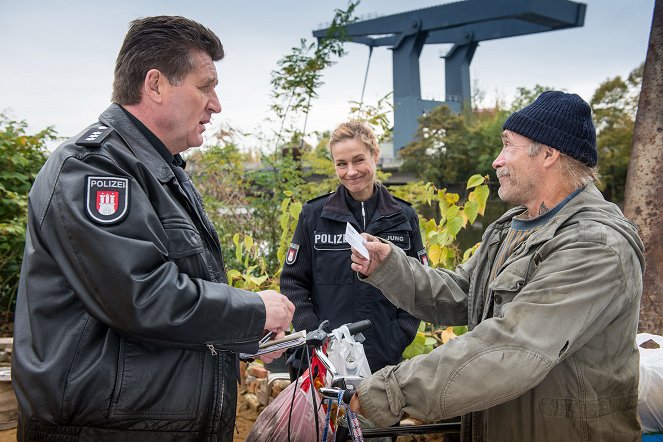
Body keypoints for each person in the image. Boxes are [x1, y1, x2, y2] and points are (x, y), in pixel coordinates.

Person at [12, 16, 294, 442]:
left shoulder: (161, 172)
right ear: (156, 84)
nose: (216, 104)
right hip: (107, 431)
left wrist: (239, 334)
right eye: (206, 86)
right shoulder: (94, 168)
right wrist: (253, 309)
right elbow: (140, 294)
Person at [348, 91, 645, 441]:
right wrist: (389, 267)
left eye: (508, 146)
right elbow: (462, 293)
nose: (497, 161)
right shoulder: (512, 227)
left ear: (549, 153)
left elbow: (515, 347)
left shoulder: (595, 244)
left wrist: (390, 391)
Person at [280, 120, 425, 376]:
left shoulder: (404, 217)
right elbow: (293, 283)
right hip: (324, 362)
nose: (351, 171)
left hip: (383, 363)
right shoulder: (314, 216)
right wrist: (317, 336)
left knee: (377, 418)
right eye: (341, 164)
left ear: (375, 155)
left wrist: (397, 337)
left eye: (359, 160)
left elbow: (420, 284)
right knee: (322, 418)